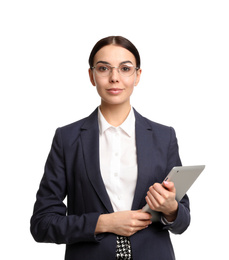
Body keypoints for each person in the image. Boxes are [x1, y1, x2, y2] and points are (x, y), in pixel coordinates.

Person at [30, 36, 190, 260]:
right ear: (91, 75)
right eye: (104, 68)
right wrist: (102, 223)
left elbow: (182, 221)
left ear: (137, 75)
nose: (114, 78)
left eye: (125, 68)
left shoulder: (164, 137)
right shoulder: (67, 139)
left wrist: (171, 209)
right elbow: (42, 223)